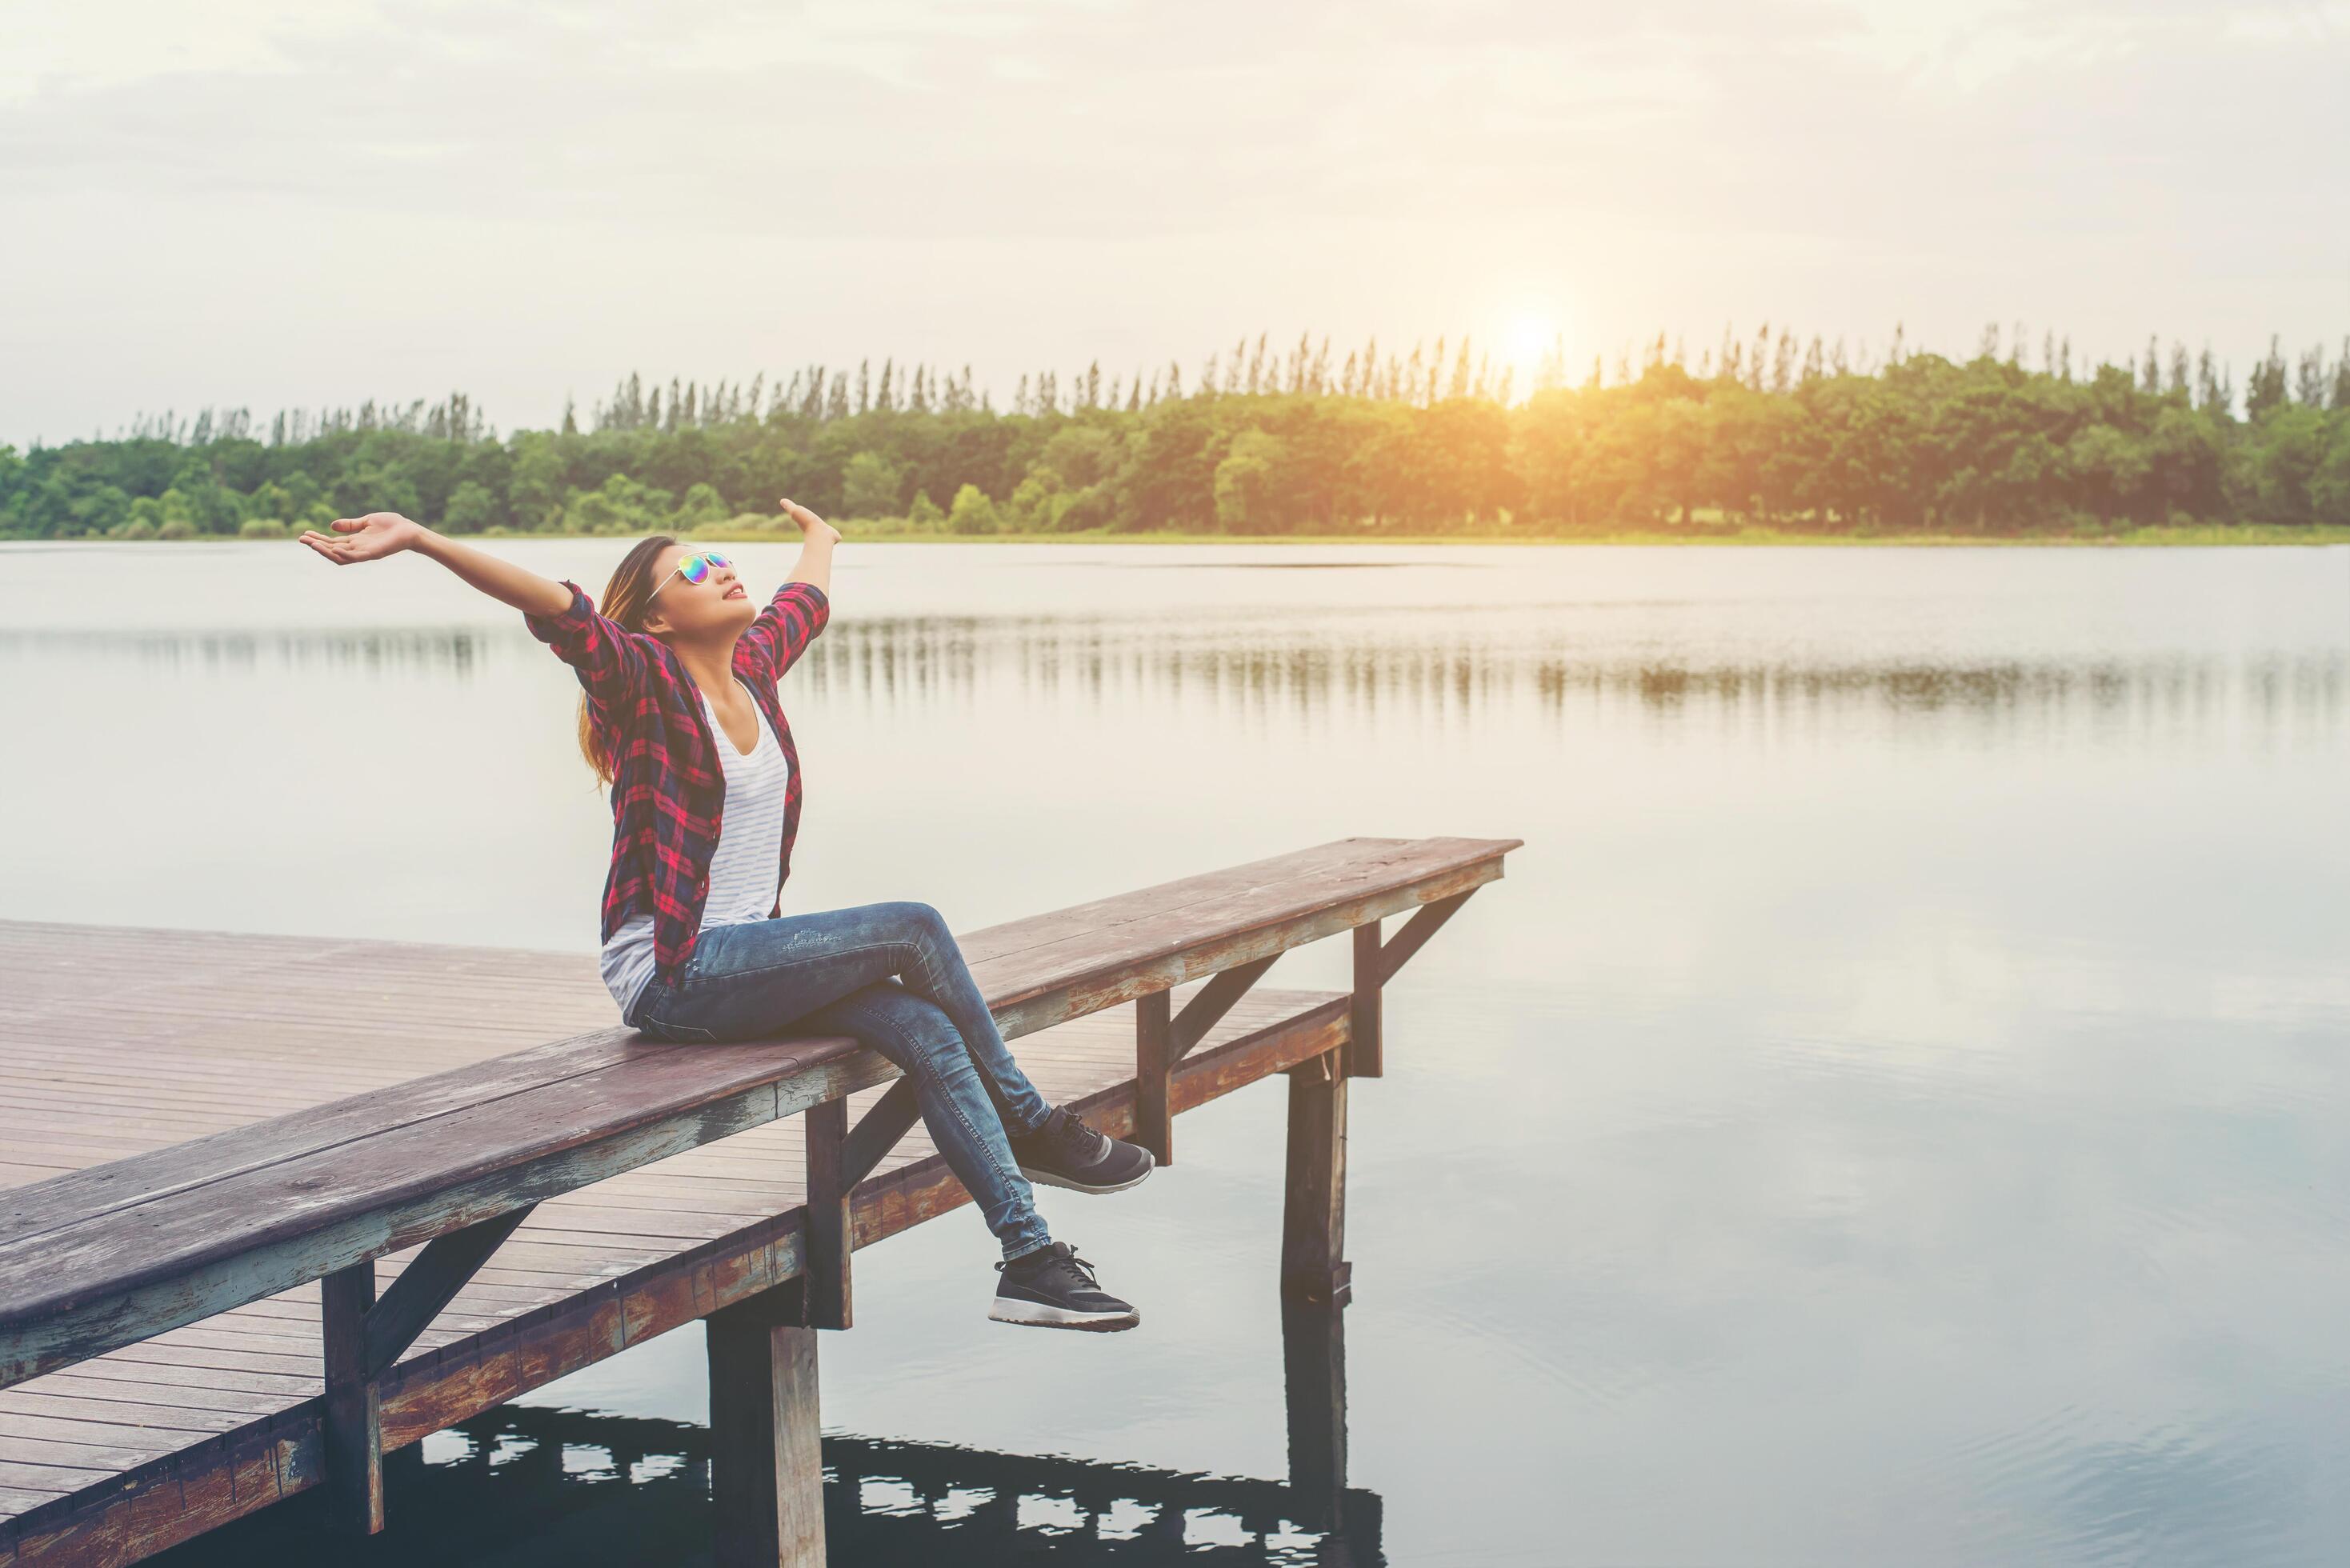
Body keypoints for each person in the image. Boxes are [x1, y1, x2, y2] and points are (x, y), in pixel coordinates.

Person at [301, 501, 1152, 1331]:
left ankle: (1030, 1260)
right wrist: (418, 541)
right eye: (697, 569)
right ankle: (1034, 1122)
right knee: (914, 925)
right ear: (659, 618)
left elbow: (803, 604)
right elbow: (557, 608)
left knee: (924, 1026)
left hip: (745, 966)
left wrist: (821, 536)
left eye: (721, 557)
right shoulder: (641, 681)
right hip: (673, 974)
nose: (723, 568)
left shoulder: (752, 671)